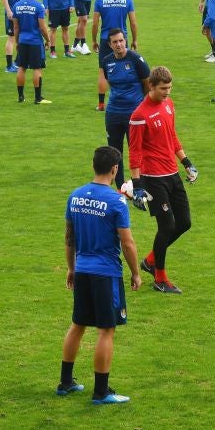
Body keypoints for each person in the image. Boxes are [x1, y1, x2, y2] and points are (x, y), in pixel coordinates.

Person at [58, 146, 142, 405]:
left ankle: (65, 382)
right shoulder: (116, 201)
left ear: (94, 165)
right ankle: (101, 392)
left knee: (78, 324)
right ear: (115, 169)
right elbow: (127, 242)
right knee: (106, 329)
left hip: (82, 270)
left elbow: (69, 238)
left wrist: (71, 268)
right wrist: (136, 272)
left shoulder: (75, 196)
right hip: (106, 273)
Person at [128, 67, 198, 295]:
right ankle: (160, 278)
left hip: (172, 173)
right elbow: (134, 151)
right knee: (166, 226)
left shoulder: (168, 104)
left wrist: (186, 162)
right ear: (151, 86)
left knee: (184, 222)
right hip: (153, 179)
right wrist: (137, 185)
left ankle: (150, 261)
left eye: (169, 87)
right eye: (163, 88)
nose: (167, 92)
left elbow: (172, 135)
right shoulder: (139, 116)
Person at [101, 29, 150, 190]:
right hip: (113, 113)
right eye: (115, 42)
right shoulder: (107, 61)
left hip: (134, 114)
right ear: (110, 45)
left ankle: (140, 186)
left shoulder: (136, 59)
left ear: (126, 40)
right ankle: (121, 188)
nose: (119, 44)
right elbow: (110, 82)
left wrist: (142, 106)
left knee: (136, 150)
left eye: (121, 40)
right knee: (114, 152)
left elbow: (147, 83)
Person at [91, 0, 138, 112]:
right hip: (122, 40)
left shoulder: (100, 0)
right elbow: (133, 22)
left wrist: (94, 40)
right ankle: (123, 100)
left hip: (106, 39)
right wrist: (134, 40)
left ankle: (101, 104)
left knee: (102, 71)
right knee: (123, 69)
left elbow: (95, 23)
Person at [11, 0, 52, 105]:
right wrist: (48, 40)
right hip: (35, 42)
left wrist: (17, 42)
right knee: (37, 69)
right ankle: (38, 98)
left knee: (21, 68)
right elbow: (42, 27)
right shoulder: (39, 6)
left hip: (23, 41)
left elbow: (16, 27)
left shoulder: (17, 6)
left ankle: (21, 97)